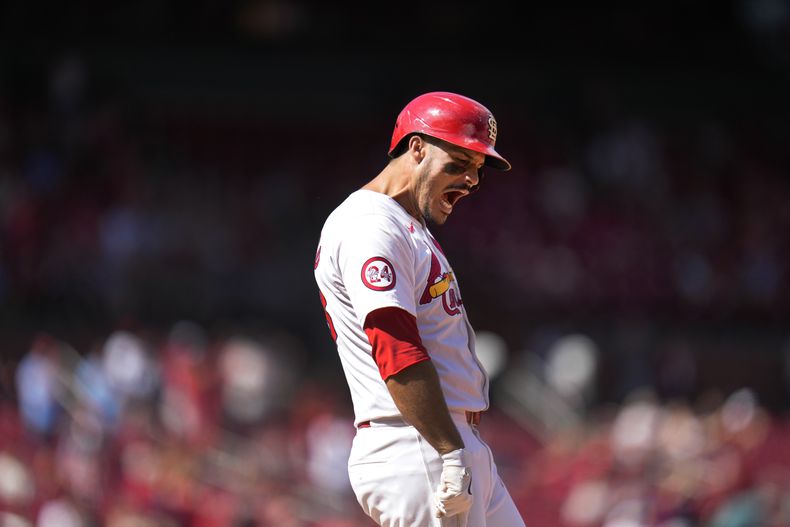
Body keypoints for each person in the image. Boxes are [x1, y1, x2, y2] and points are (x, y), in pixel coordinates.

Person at [313, 91, 525, 527]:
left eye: (479, 169)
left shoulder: (404, 224)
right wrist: (449, 452)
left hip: (440, 439)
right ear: (417, 147)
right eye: (461, 163)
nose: (472, 180)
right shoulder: (369, 224)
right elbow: (394, 342)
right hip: (415, 443)